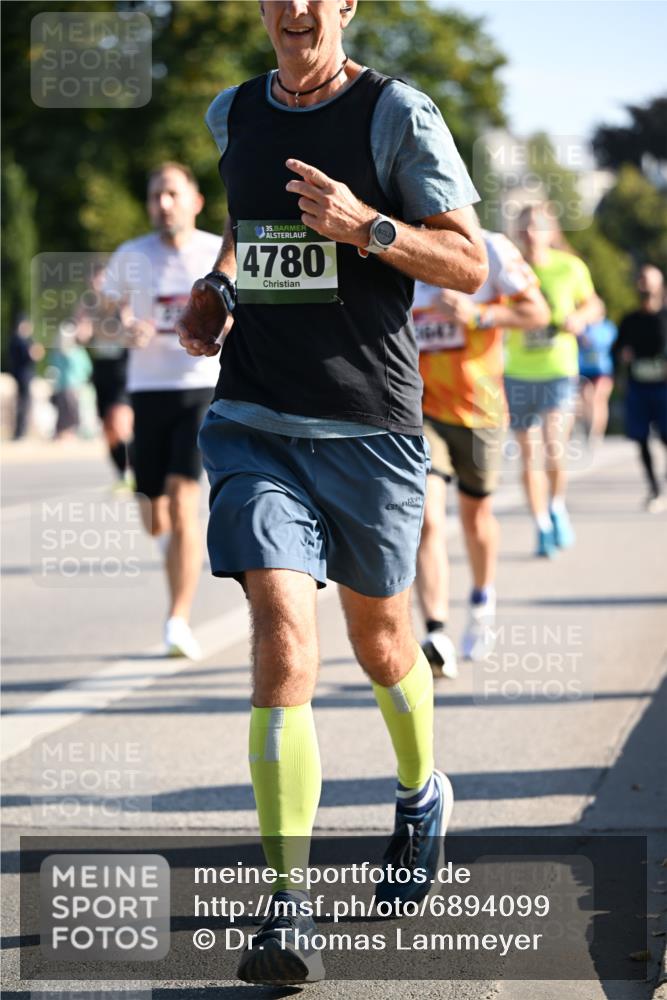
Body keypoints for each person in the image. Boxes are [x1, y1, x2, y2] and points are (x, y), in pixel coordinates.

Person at [176, 0, 487, 985]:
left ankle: (418, 788)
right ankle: (286, 902)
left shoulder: (397, 114)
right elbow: (244, 227)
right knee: (281, 628)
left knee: (382, 643)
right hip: (256, 419)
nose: (297, 8)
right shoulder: (232, 113)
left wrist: (369, 224)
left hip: (370, 427)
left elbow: (468, 261)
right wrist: (218, 289)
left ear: (345, 5)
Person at [415, 230, 549, 672]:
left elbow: (537, 312)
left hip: (480, 408)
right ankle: (435, 631)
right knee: (427, 518)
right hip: (419, 407)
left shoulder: (489, 245)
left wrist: (478, 315)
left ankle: (481, 601)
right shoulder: (391, 242)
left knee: (475, 519)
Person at [104, 163, 220, 659]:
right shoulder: (131, 256)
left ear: (194, 201)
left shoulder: (217, 250)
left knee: (184, 500)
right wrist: (121, 326)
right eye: (156, 196)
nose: (164, 203)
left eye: (173, 193)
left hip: (201, 388)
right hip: (148, 390)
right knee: (155, 515)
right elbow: (103, 313)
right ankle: (166, 546)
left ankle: (178, 619)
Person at [504, 204, 602, 558]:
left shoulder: (570, 267)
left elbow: (595, 305)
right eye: (525, 226)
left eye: (538, 226)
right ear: (517, 232)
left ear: (551, 232)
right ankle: (542, 525)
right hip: (517, 373)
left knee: (553, 448)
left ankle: (557, 506)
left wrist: (579, 317)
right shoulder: (510, 269)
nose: (531, 232)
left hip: (559, 370)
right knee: (528, 457)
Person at [74, 264, 134, 490]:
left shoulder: (122, 304)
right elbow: (80, 337)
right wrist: (83, 331)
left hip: (123, 368)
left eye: (102, 281)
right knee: (108, 428)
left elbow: (132, 329)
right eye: (94, 281)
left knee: (119, 420)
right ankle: (122, 474)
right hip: (101, 370)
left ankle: (137, 467)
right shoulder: (87, 305)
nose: (98, 285)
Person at [614, 264, 667, 512]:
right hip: (639, 388)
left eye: (650, 281)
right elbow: (615, 350)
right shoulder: (629, 320)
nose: (645, 285)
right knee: (641, 439)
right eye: (642, 280)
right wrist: (622, 356)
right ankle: (654, 488)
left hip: (663, 389)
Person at [48, 323, 92, 440]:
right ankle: (62, 433)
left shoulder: (78, 352)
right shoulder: (58, 353)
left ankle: (74, 432)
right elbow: (53, 368)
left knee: (73, 410)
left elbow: (86, 368)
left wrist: (80, 382)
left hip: (74, 386)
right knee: (63, 411)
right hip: (62, 387)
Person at [578, 314, 616, 444]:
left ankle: (596, 433)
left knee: (598, 400)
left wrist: (590, 340)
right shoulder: (582, 325)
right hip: (584, 369)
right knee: (586, 399)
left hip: (603, 370)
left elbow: (609, 344)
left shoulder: (608, 327)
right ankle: (588, 427)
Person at [7, 314, 44, 439]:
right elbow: (33, 355)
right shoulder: (21, 341)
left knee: (22, 403)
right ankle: (20, 432)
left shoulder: (16, 339)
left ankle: (20, 432)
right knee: (24, 404)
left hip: (20, 375)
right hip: (24, 375)